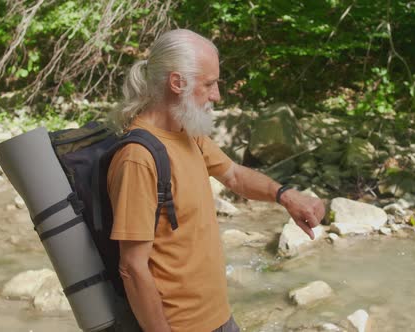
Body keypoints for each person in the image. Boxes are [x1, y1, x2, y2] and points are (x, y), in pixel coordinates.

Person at [107, 29, 325, 332]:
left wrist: (287, 196)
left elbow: (234, 175)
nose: (217, 95)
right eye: (209, 84)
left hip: (219, 317)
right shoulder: (138, 157)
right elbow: (132, 267)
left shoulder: (187, 133)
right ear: (176, 82)